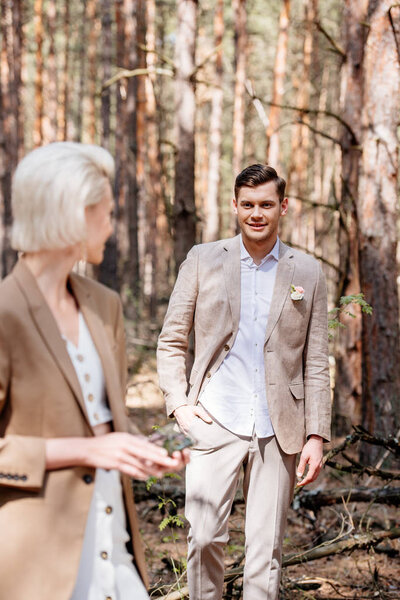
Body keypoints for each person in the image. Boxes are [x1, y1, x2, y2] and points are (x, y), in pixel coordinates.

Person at [0, 142, 188, 600]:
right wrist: (90, 451)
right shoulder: (5, 314)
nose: (111, 224)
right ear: (72, 215)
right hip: (37, 563)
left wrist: (141, 450)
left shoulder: (105, 306)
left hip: (114, 540)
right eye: (105, 212)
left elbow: (103, 424)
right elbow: (89, 445)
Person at [157, 164, 331, 600]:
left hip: (280, 427)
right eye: (248, 204)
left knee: (265, 551)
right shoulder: (202, 258)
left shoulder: (307, 272)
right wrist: (179, 405)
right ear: (235, 205)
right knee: (202, 539)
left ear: (283, 207)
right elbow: (172, 340)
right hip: (214, 418)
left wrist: (316, 434)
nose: (257, 213)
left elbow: (315, 361)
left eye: (267, 204)